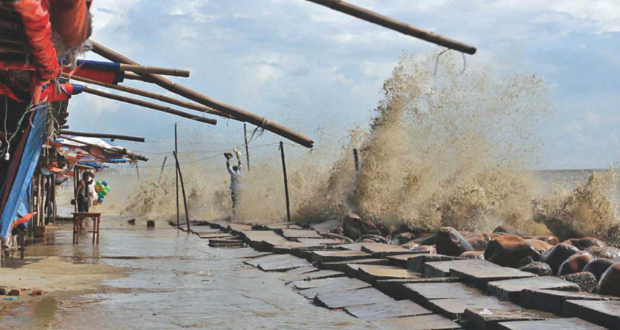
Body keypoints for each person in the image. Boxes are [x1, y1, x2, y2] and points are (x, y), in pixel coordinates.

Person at [225, 149, 243, 215]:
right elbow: (240, 163)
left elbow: (228, 166)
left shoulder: (233, 173)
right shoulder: (240, 173)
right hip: (241, 189)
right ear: (237, 168)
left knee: (234, 203)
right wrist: (237, 155)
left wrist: (228, 159)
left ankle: (235, 214)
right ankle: (239, 214)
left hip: (235, 190)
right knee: (239, 202)